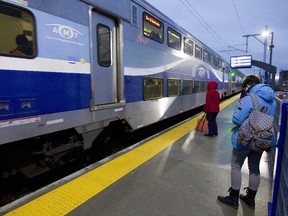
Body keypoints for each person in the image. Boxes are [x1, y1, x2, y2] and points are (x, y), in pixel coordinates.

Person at [217, 75, 276, 209]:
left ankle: (233, 198)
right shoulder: (272, 101)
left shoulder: (250, 98)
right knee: (254, 168)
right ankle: (250, 199)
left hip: (245, 138)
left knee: (236, 165)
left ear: (248, 85)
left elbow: (237, 120)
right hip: (261, 140)